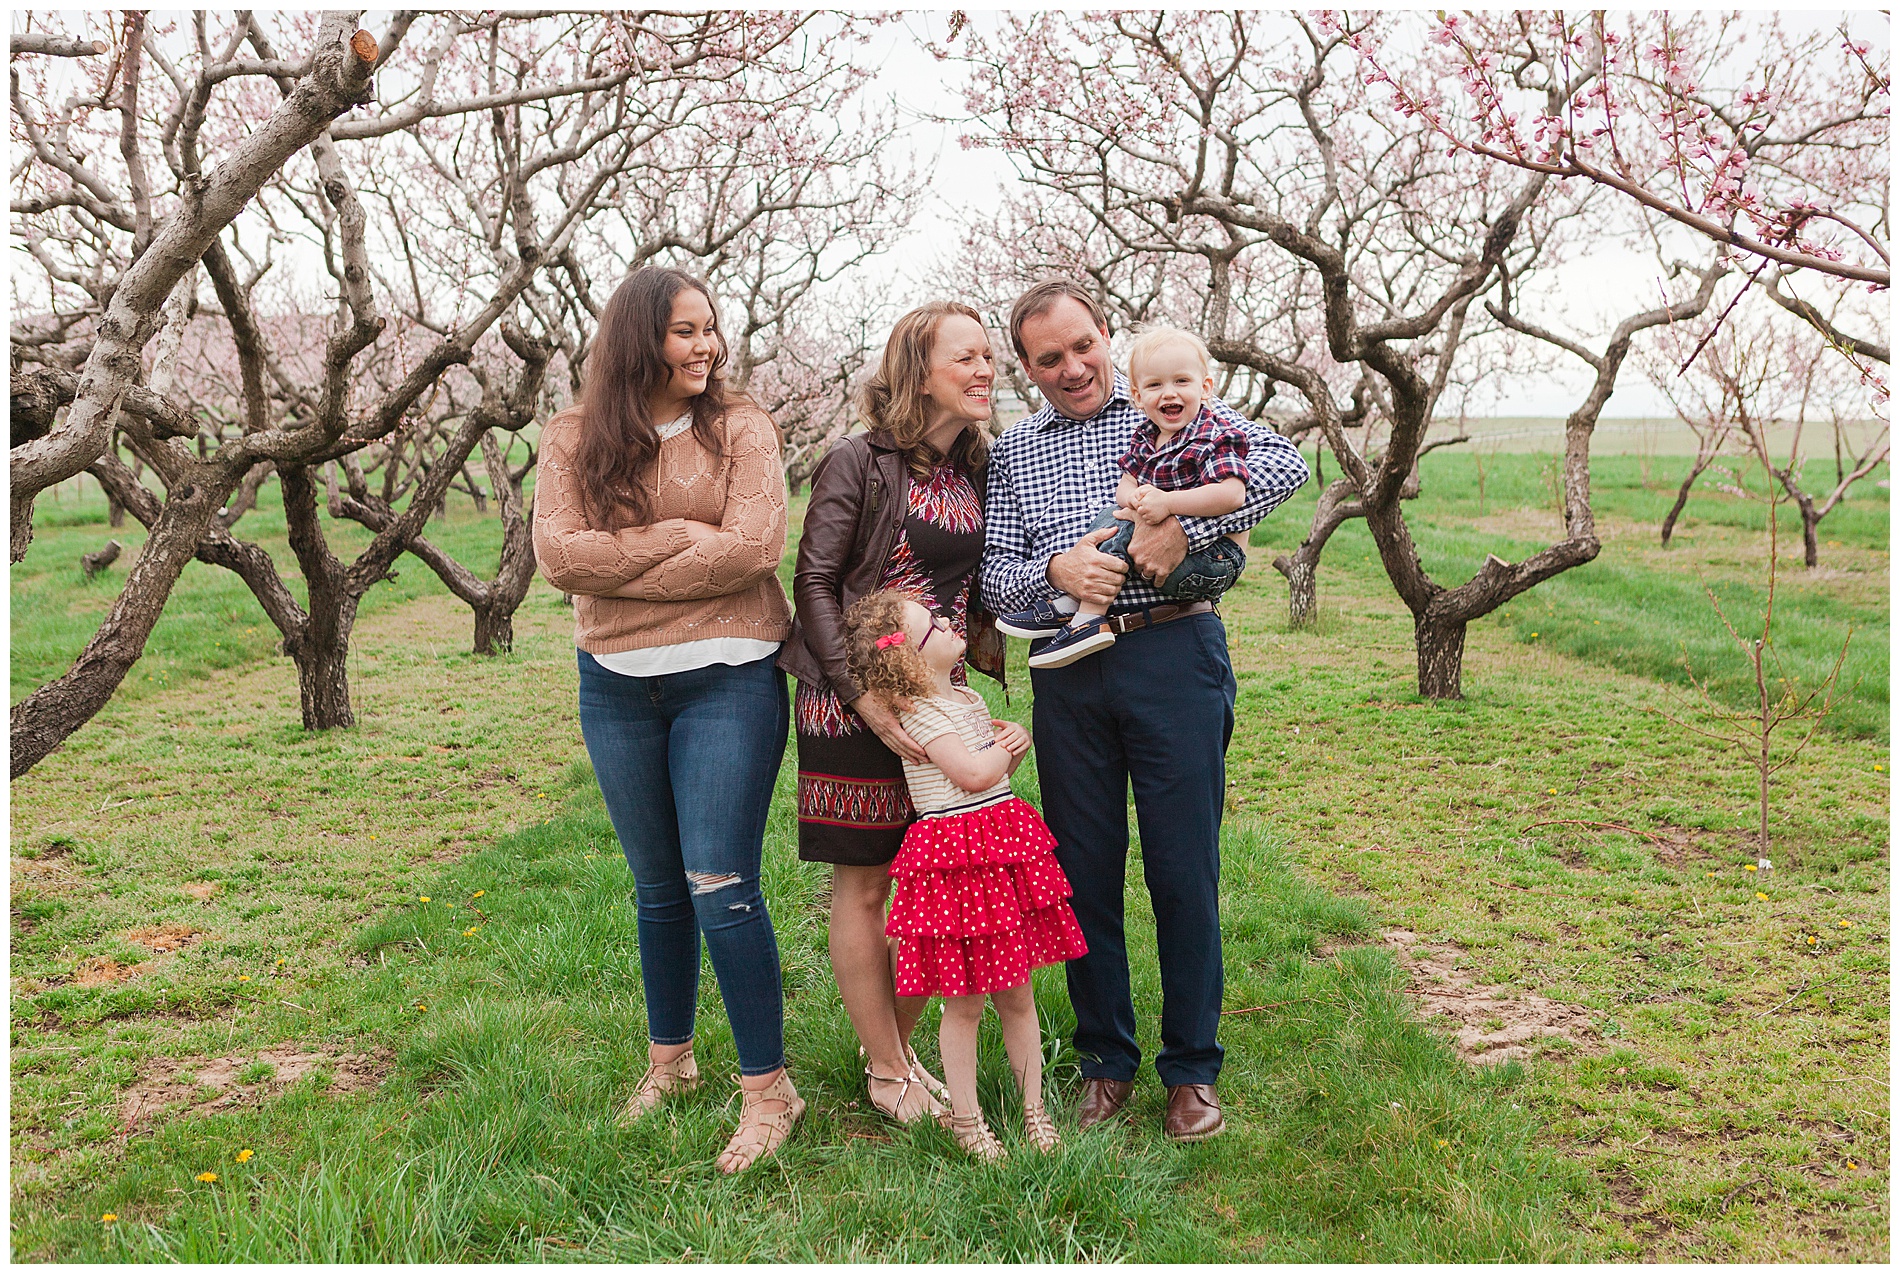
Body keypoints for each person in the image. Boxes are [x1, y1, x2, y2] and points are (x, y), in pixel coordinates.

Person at [980, 280, 1310, 1141]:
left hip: (1174, 655)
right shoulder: (1015, 453)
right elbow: (996, 577)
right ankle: (1105, 1062)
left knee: (1181, 867)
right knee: (1084, 871)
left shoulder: (1176, 408)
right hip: (1069, 672)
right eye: (1050, 359)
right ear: (1029, 368)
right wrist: (1057, 572)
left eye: (1084, 347)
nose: (1074, 367)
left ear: (1106, 340)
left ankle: (1192, 1070)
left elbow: (1281, 467)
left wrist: (1182, 530)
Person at [532, 265, 800, 1174]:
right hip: (615, 684)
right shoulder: (571, 438)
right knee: (657, 890)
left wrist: (626, 564)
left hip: (729, 678)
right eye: (686, 331)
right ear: (639, 340)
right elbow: (560, 558)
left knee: (719, 882)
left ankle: (769, 1091)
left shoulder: (742, 428)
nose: (707, 346)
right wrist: (682, 539)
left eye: (710, 330)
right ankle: (671, 1063)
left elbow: (758, 550)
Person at [777, 301, 1008, 1126]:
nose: (986, 371)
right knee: (868, 881)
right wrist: (863, 695)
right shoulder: (859, 460)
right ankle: (886, 1072)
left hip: (936, 699)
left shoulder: (975, 464)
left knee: (940, 877)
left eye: (989, 356)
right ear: (917, 372)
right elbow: (813, 583)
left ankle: (901, 1054)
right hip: (853, 699)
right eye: (965, 359)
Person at [840, 590, 1086, 1159]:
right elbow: (973, 773)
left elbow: (991, 768)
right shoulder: (921, 712)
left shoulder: (966, 696)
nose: (952, 622)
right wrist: (1012, 747)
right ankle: (968, 1120)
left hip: (995, 854)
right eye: (935, 626)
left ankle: (1034, 1110)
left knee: (1018, 994)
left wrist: (1010, 747)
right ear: (906, 656)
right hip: (957, 865)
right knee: (967, 1001)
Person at [1003, 326, 1254, 669]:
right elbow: (1126, 488)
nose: (1170, 394)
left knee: (1120, 522)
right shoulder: (1146, 434)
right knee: (1114, 516)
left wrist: (1172, 514)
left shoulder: (1214, 430)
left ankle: (1085, 615)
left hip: (1204, 573)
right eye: (1155, 386)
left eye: (1182, 381)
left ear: (1205, 387)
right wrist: (1137, 507)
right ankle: (1071, 599)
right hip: (1070, 678)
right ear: (1139, 396)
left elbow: (1238, 490)